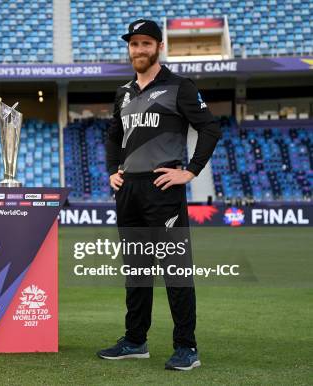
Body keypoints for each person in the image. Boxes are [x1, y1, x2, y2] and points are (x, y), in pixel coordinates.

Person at [97, 19, 221, 371]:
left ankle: (187, 347)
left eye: (146, 44)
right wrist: (112, 171)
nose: (139, 50)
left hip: (162, 190)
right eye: (134, 44)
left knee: (176, 271)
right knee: (136, 271)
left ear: (159, 47)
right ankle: (135, 340)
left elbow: (210, 129)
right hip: (129, 192)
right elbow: (112, 135)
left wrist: (191, 170)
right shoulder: (123, 92)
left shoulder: (179, 87)